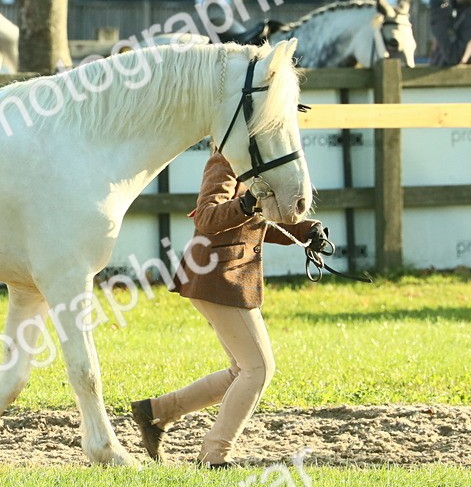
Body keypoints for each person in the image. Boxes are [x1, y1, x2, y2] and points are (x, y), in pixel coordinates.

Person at [131, 149, 328, 468]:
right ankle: (214, 456)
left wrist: (305, 232)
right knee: (259, 369)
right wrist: (247, 202)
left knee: (242, 371)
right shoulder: (224, 163)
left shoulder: (258, 166)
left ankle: (155, 411)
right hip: (217, 276)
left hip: (227, 277)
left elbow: (256, 224)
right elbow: (208, 217)